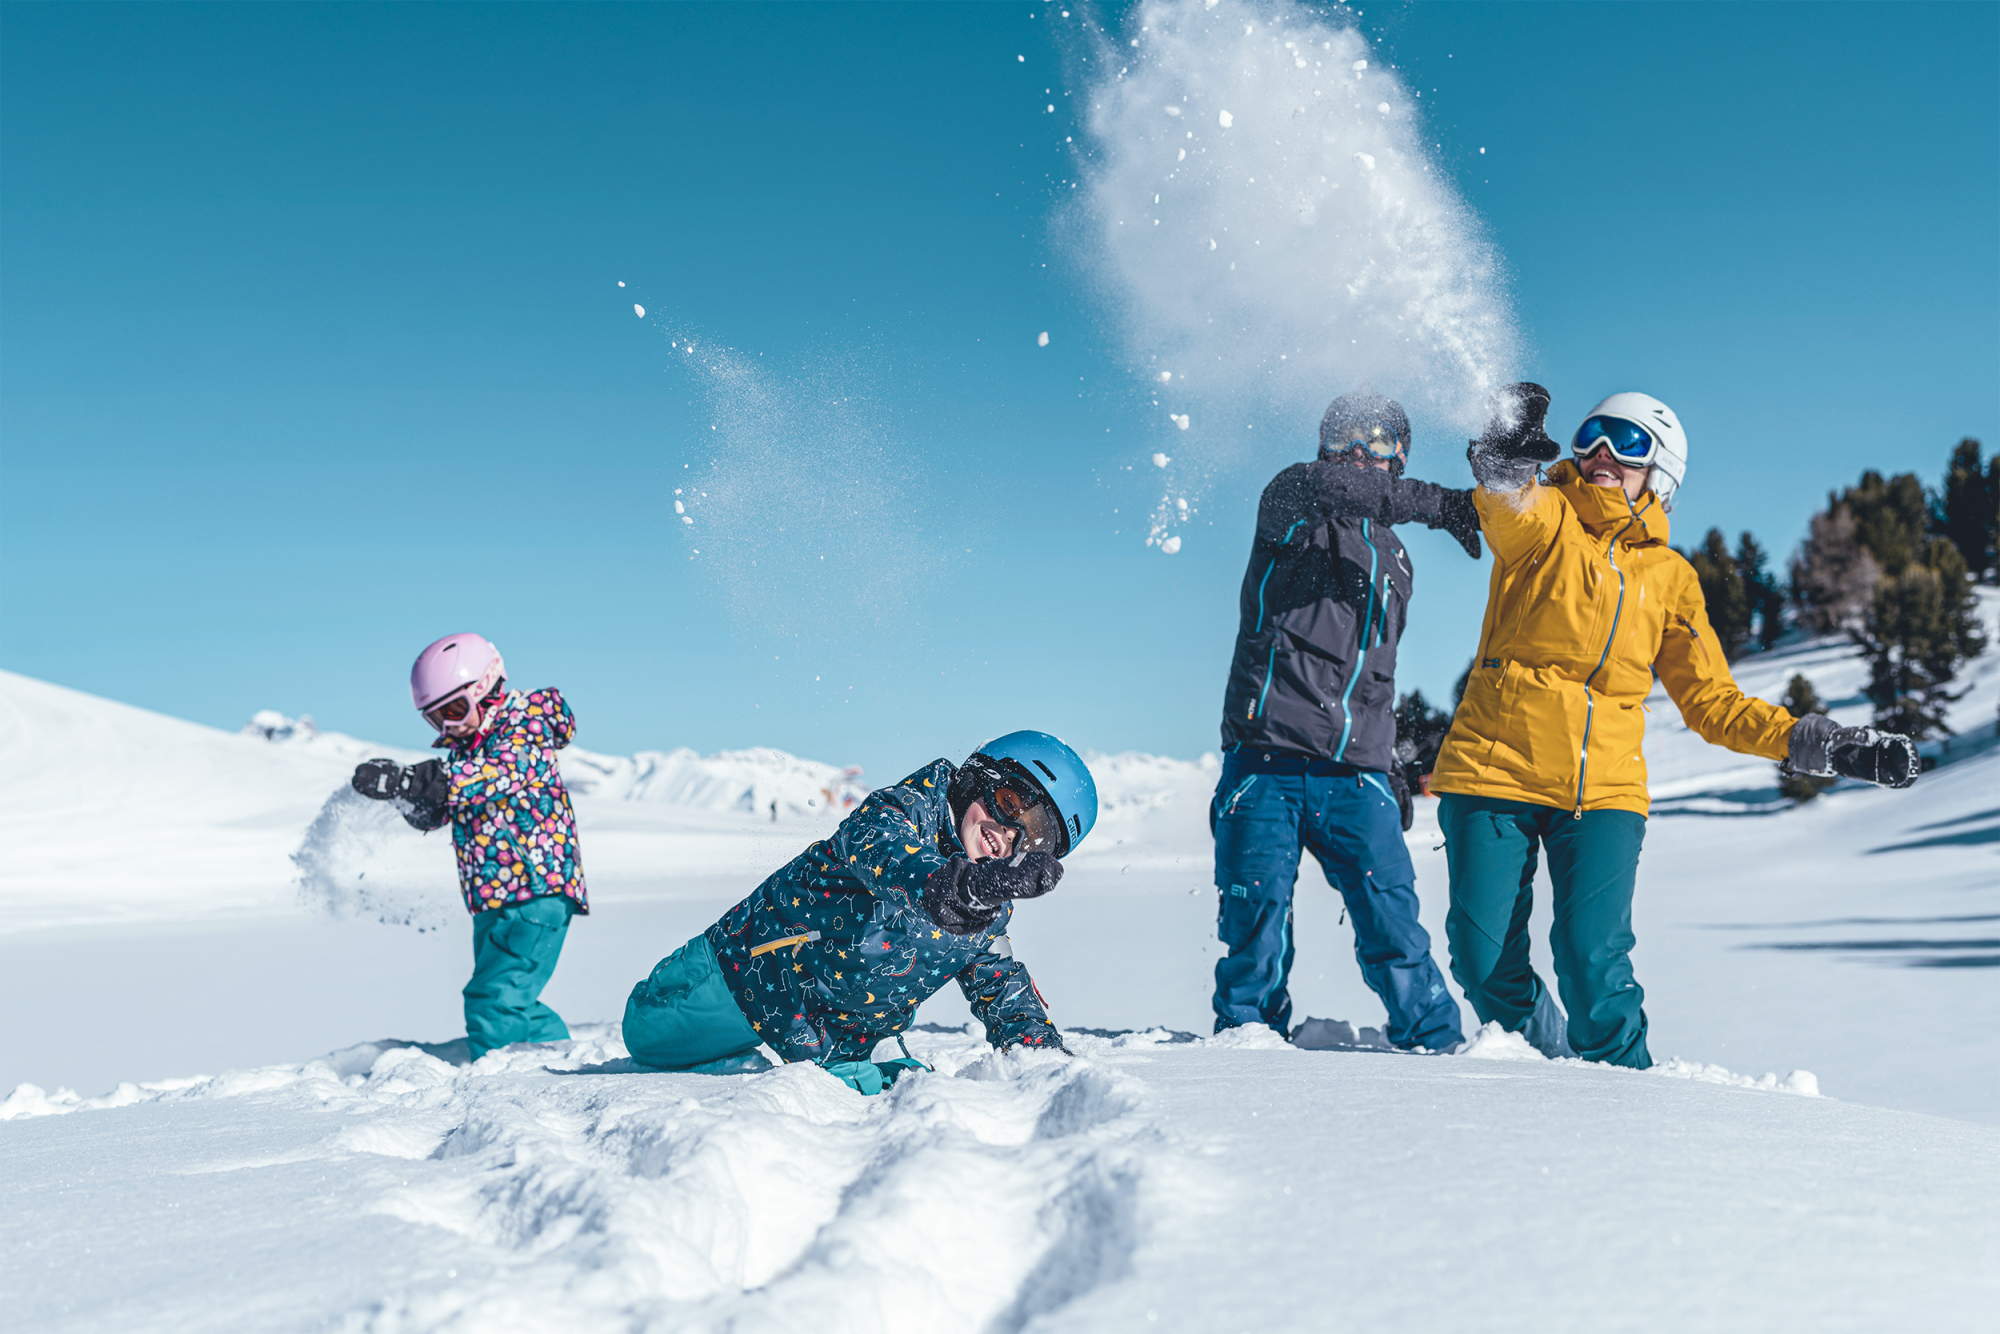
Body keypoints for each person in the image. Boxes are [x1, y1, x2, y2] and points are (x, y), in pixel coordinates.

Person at [1433, 384, 1920, 1066]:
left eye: (1627, 443)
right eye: (1592, 435)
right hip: (1493, 769)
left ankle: (1628, 1097)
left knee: (1590, 963)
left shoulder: (1671, 578)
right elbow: (1508, 509)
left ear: (1661, 474)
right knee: (1482, 963)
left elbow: (1713, 703)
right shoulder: (1546, 520)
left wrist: (1823, 743)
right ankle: (1538, 1062)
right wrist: (1505, 464)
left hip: (1602, 792)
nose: (1603, 453)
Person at [1210, 391, 1483, 1050]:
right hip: (1264, 763)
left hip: (1355, 776)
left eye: (1380, 441)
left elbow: (1371, 674)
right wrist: (1443, 504)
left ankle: (1438, 1049)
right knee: (1255, 926)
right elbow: (1337, 487)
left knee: (1394, 924)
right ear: (1323, 451)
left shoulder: (1397, 561)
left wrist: (1385, 754)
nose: (1360, 452)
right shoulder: (1289, 507)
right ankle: (1246, 1047)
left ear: (1401, 457)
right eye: (1344, 437)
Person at [621, 731, 1095, 1092]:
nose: (1007, 833)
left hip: (830, 1044)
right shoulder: (902, 813)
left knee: (898, 1100)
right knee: (646, 1033)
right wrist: (956, 889)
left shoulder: (984, 900)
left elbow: (1000, 979)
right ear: (977, 778)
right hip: (745, 979)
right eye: (1010, 803)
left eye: (1033, 838)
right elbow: (887, 854)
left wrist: (1038, 1051)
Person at [351, 632, 587, 1061]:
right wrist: (407, 796)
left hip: (535, 891)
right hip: (497, 897)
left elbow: (496, 775)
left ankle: (504, 1083)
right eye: (435, 718)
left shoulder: (527, 724)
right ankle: (554, 1060)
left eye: (455, 710)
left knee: (494, 1000)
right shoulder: (466, 749)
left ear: (488, 687)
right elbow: (444, 809)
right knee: (512, 1001)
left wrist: (418, 780)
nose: (449, 727)